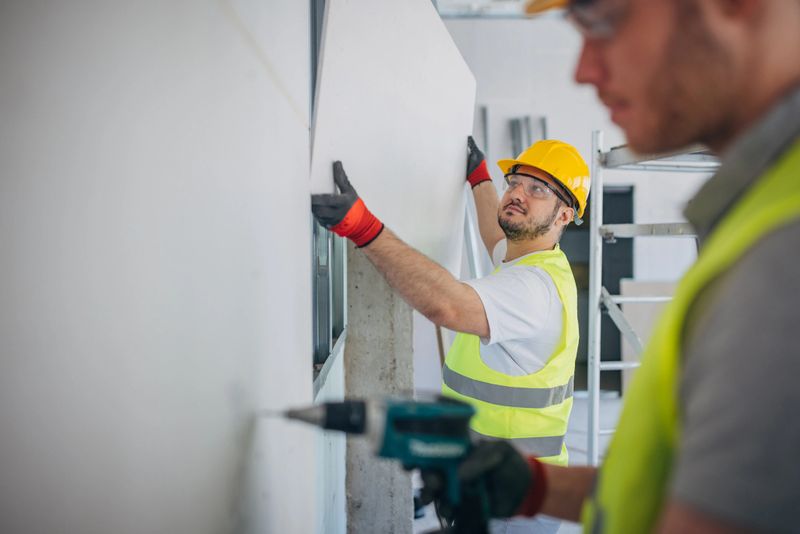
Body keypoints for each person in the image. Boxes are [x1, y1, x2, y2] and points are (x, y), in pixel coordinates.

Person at [437, 0, 800, 532]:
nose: (583, 70)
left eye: (604, 21)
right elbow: (670, 487)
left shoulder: (780, 257)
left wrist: (365, 230)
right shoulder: (756, 213)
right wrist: (539, 487)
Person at [311, 137, 590, 533]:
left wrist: (363, 228)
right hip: (491, 481)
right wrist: (479, 179)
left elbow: (447, 306)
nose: (517, 194)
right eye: (515, 182)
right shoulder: (526, 259)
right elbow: (494, 235)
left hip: (513, 501)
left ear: (564, 216)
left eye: (537, 190)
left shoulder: (533, 290)